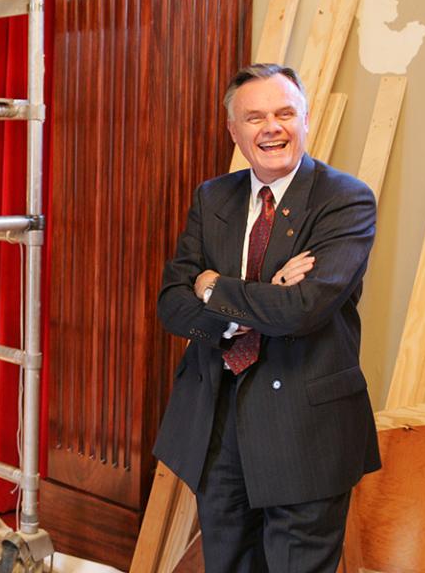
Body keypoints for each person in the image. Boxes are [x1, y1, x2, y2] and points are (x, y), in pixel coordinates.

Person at [153, 63, 380, 572]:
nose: (271, 127)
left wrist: (213, 286)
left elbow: (302, 310)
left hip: (306, 427)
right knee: (228, 562)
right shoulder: (213, 197)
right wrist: (252, 303)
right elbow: (172, 302)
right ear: (234, 131)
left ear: (306, 120)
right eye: (254, 118)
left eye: (284, 113)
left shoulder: (345, 199)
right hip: (217, 421)